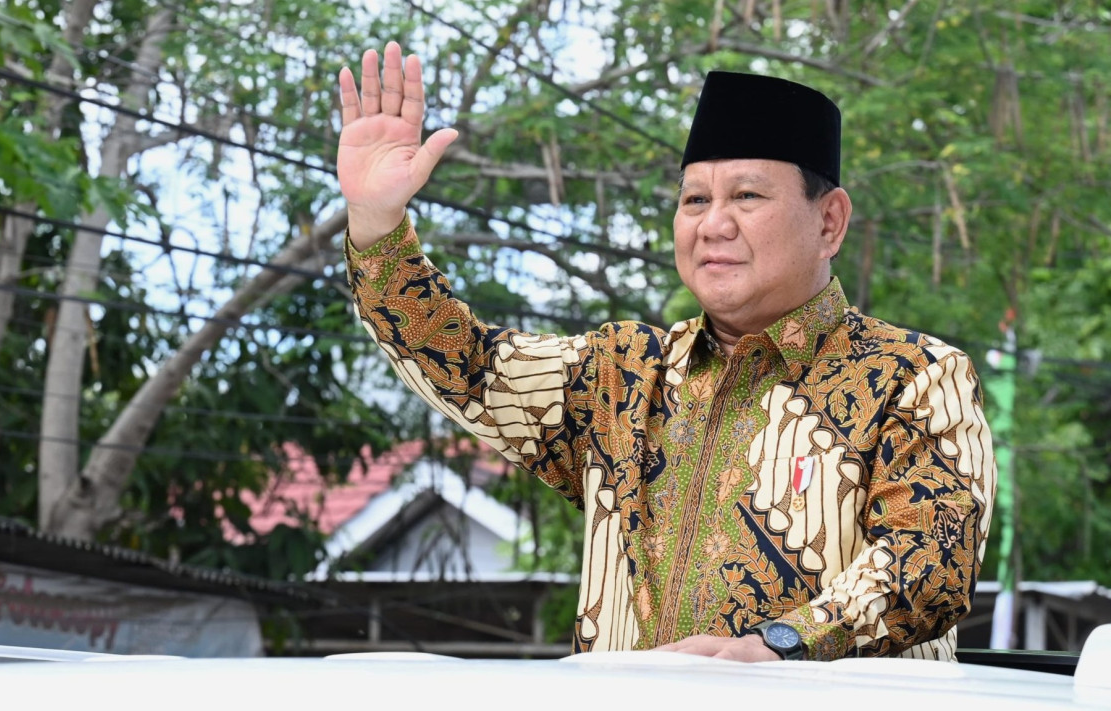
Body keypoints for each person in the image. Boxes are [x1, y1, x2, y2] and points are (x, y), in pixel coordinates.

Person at [336, 41, 996, 662]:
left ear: (829, 222)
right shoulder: (621, 374)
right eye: (694, 199)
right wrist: (376, 222)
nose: (713, 224)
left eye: (746, 196)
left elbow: (930, 559)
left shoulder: (913, 376)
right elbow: (469, 368)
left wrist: (782, 646)